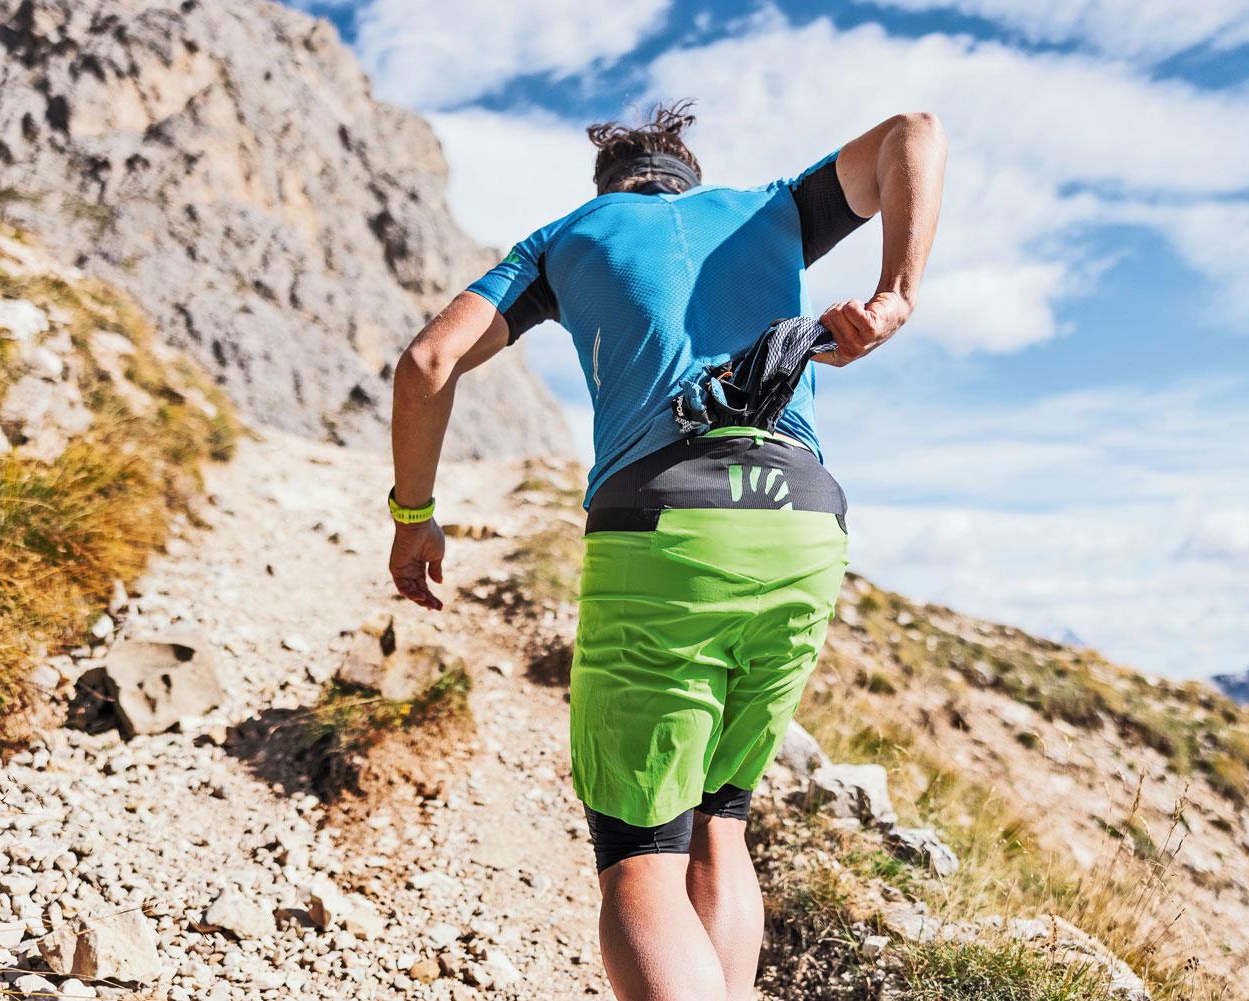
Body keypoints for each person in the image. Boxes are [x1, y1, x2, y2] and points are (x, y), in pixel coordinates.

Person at [389, 101, 947, 1001]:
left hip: (664, 520)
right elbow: (913, 130)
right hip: (804, 522)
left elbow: (427, 362)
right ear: (689, 179)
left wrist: (413, 514)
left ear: (609, 188)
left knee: (642, 851)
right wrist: (896, 295)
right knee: (722, 820)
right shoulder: (772, 209)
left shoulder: (565, 240)